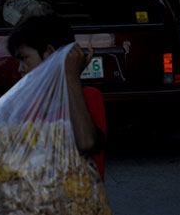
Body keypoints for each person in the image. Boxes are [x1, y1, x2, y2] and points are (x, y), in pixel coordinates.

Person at [6, 11, 107, 180]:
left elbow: (86, 142)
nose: (20, 68)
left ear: (50, 53)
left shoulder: (89, 97)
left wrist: (71, 76)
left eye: (24, 58)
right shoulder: (29, 101)